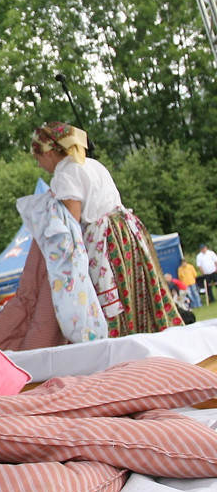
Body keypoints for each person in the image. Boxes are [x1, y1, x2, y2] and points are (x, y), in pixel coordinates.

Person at [30, 122, 182, 337]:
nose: (39, 165)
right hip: (127, 230)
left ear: (50, 151)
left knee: (112, 298)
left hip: (104, 240)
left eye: (38, 158)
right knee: (137, 290)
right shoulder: (92, 164)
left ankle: (122, 347)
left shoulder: (65, 175)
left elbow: (70, 223)